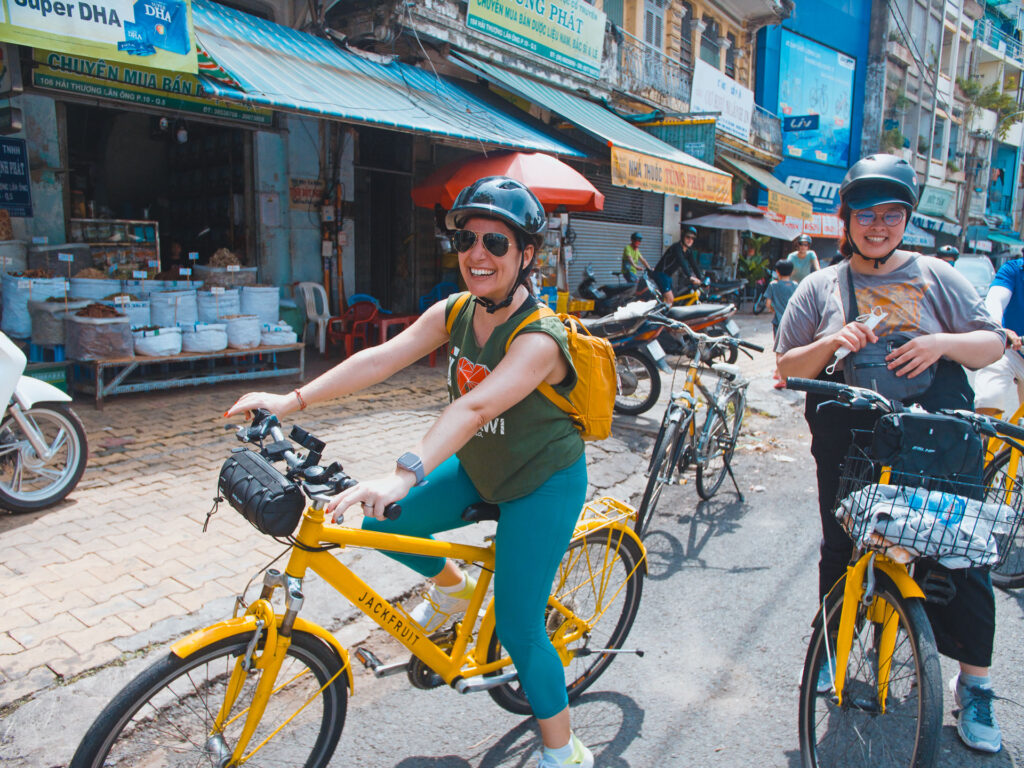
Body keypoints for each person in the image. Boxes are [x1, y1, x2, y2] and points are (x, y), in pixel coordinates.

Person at [226, 176, 594, 768]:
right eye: (468, 239)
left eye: (496, 244)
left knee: (522, 628)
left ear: (526, 256)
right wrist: (288, 401)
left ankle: (564, 753)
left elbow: (472, 407)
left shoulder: (540, 340)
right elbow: (381, 357)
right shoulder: (456, 311)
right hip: (478, 468)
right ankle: (453, 589)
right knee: (373, 521)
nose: (478, 254)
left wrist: (404, 472)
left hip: (540, 483)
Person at [774, 153, 1007, 753]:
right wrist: (832, 342)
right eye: (865, 214)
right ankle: (832, 645)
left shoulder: (938, 275)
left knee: (962, 555)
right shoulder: (819, 285)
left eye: (891, 214)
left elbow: (989, 345)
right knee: (842, 547)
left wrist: (939, 344)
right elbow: (785, 366)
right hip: (849, 439)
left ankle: (974, 687)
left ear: (907, 219)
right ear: (845, 218)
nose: (877, 226)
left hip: (935, 437)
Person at [975, 255, 1024, 422]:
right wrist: (999, 329)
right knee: (989, 398)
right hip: (1010, 348)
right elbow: (995, 300)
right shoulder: (1014, 270)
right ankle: (981, 446)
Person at [652, 225, 703, 302]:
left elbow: (694, 265)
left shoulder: (689, 251)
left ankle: (663, 312)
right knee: (670, 299)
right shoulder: (676, 247)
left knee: (670, 301)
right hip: (660, 274)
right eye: (688, 237)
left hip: (668, 276)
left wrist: (701, 279)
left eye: (692, 238)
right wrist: (690, 276)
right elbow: (682, 262)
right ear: (683, 237)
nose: (690, 240)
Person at [764, 258, 796, 338]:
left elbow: (768, 304)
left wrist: (772, 308)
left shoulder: (773, 285)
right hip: (792, 322)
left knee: (778, 344)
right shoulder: (795, 285)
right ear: (792, 272)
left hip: (778, 321)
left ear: (777, 272)